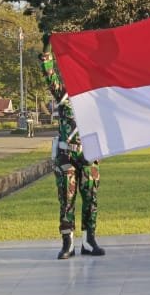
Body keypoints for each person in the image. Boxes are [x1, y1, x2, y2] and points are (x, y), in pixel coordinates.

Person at [41, 43, 105, 260]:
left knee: (90, 198)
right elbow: (49, 74)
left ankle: (89, 240)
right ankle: (67, 243)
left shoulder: (97, 97)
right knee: (67, 199)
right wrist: (47, 51)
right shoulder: (63, 94)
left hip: (89, 154)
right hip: (66, 154)